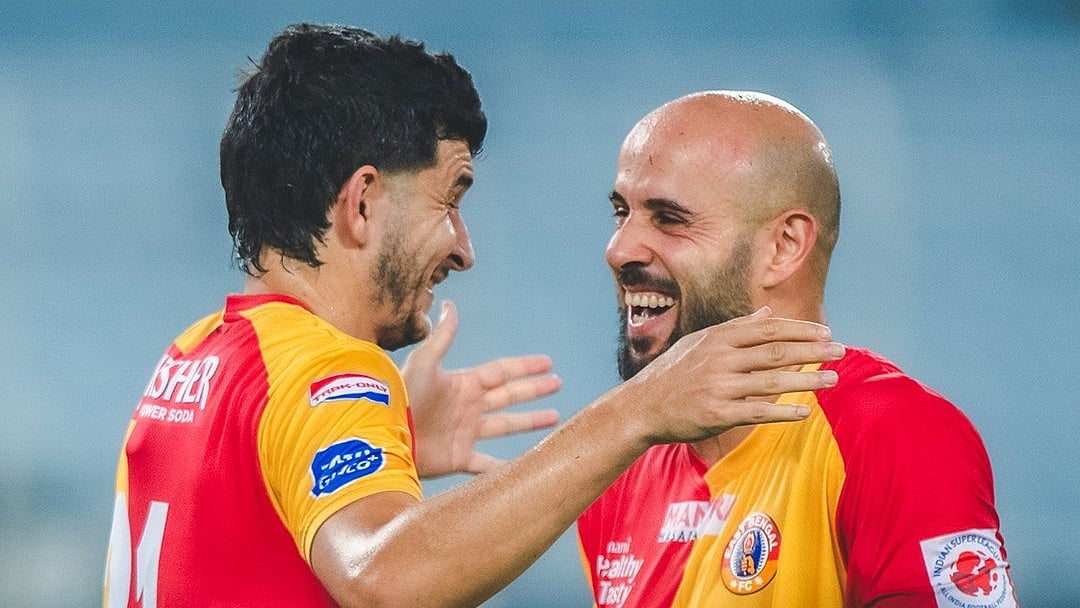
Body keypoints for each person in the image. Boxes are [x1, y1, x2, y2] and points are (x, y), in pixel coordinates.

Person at [102, 26, 843, 607]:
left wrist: (390, 449)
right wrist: (636, 413)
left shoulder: (195, 358)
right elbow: (383, 577)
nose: (463, 248)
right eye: (450, 198)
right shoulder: (327, 371)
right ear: (362, 203)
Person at [576, 90, 1019, 608]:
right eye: (621, 213)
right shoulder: (615, 480)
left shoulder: (894, 433)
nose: (619, 249)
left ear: (784, 246)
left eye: (669, 218)